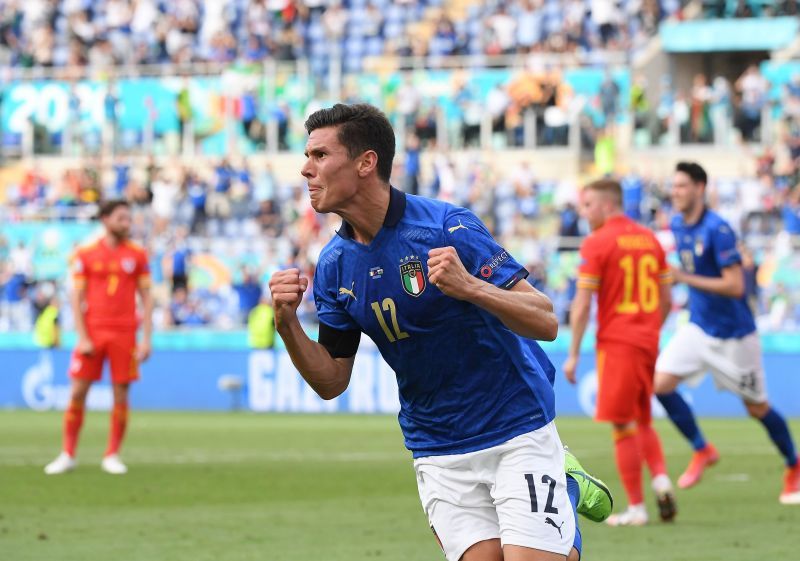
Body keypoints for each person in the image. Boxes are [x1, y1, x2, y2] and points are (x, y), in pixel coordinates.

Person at [269, 104, 611, 561]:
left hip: (514, 423)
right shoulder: (333, 266)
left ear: (366, 163)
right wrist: (287, 324)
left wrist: (471, 287)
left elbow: (545, 319)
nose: (306, 169)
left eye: (319, 155)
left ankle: (558, 489)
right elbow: (331, 381)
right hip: (436, 445)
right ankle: (561, 502)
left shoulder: (446, 226)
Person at [654, 162, 800, 505]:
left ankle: (794, 466)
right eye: (673, 186)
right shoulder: (676, 223)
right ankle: (702, 449)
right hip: (699, 327)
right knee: (659, 384)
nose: (675, 192)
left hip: (735, 336)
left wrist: (684, 279)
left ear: (700, 188)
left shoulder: (718, 229)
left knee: (757, 408)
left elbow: (735, 286)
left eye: (682, 186)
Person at [564, 179, 676, 527]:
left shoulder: (598, 243)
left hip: (617, 343)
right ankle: (661, 480)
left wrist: (572, 354)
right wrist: (649, 330)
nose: (584, 213)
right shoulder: (651, 239)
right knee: (642, 417)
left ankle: (637, 508)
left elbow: (582, 304)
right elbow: (667, 299)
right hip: (647, 342)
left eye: (587, 205)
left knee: (622, 424)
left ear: (606, 205)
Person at [44, 200, 153, 476]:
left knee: (121, 393)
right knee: (78, 392)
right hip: (93, 330)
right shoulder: (86, 253)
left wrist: (146, 338)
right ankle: (68, 453)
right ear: (105, 220)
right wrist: (82, 337)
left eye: (129, 218)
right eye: (121, 218)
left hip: (125, 332)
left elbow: (147, 298)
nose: (127, 223)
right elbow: (75, 296)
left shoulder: (138, 254)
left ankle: (112, 455)